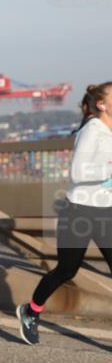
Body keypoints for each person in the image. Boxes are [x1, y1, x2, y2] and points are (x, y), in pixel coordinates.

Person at [17, 82, 112, 345]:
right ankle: (31, 310)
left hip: (106, 212)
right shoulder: (92, 131)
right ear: (101, 105)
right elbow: (77, 174)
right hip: (79, 211)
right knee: (67, 270)